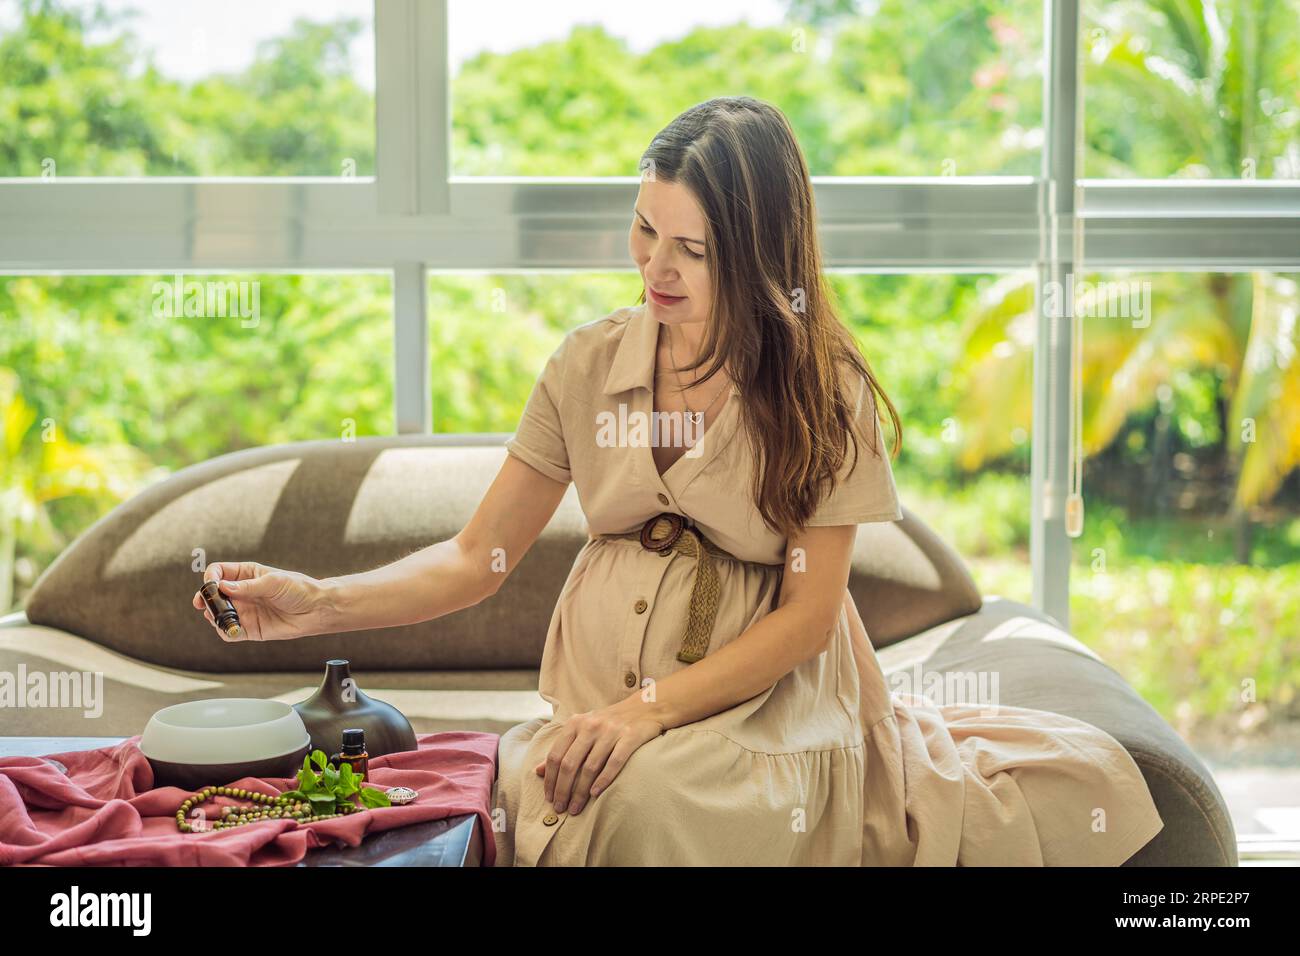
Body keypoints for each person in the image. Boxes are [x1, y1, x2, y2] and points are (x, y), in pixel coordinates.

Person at [193, 96, 1164, 866]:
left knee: (639, 806)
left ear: (755, 256)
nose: (654, 267)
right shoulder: (585, 366)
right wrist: (312, 601)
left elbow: (809, 616)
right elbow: (475, 556)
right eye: (643, 228)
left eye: (690, 249)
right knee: (574, 790)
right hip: (604, 696)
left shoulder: (822, 390)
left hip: (767, 703)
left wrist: (643, 711)